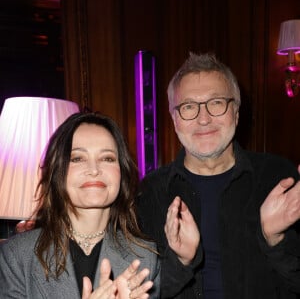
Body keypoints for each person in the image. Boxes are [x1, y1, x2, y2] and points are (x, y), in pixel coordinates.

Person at [136, 52, 300, 299]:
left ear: (235, 112)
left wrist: (275, 240)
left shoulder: (279, 179)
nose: (204, 119)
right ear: (174, 120)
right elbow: (141, 293)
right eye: (189, 106)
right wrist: (180, 262)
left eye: (216, 103)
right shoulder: (149, 192)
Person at [0, 112, 160, 299]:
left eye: (107, 158)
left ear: (122, 173)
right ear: (57, 170)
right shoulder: (16, 256)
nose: (94, 170)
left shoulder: (145, 256)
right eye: (77, 158)